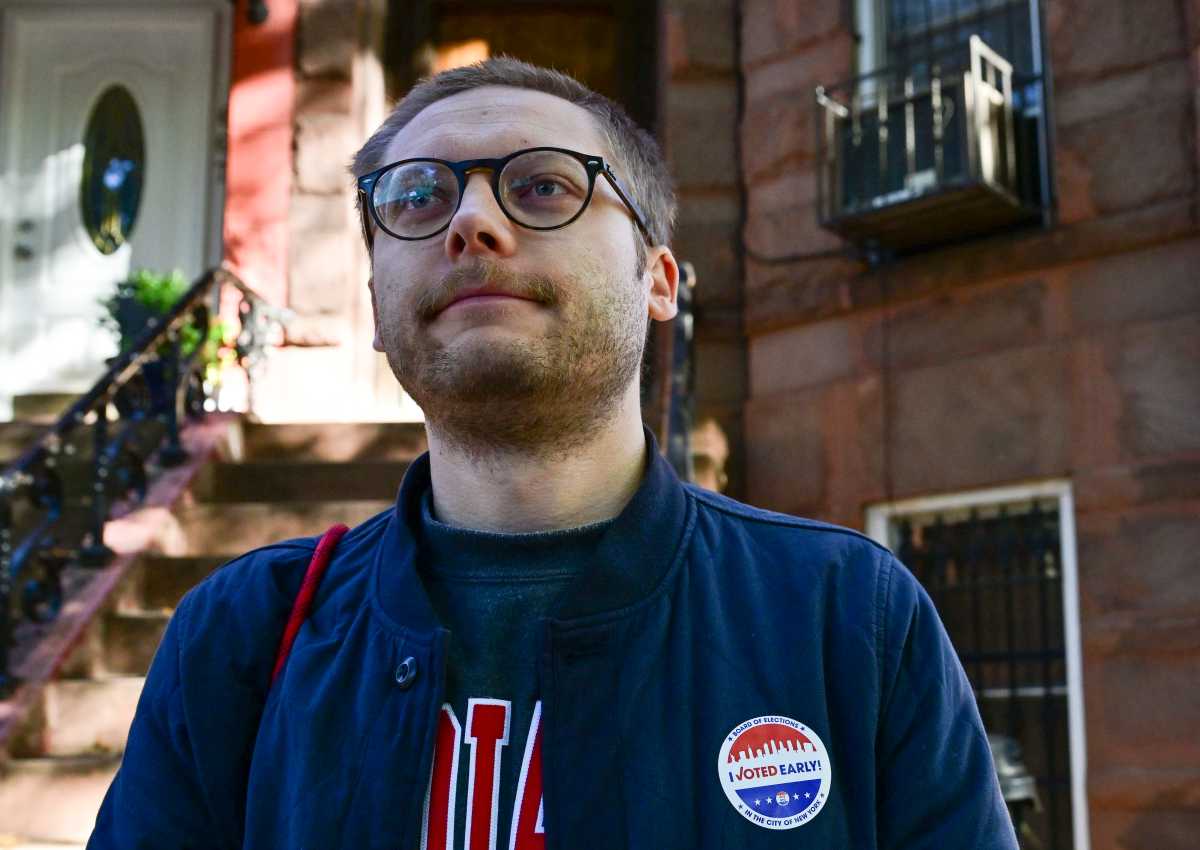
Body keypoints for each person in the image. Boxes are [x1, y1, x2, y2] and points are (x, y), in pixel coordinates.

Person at [88, 57, 1017, 849]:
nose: (472, 223)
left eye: (542, 186)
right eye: (418, 196)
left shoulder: (844, 615)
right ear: (375, 305)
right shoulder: (240, 635)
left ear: (658, 282)